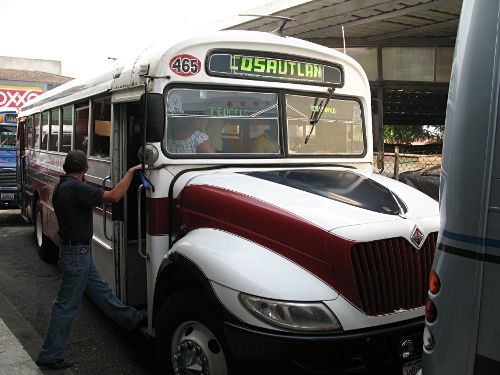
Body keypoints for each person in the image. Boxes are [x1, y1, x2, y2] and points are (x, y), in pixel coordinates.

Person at [35, 150, 146, 370]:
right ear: (86, 168)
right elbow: (114, 196)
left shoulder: (63, 185)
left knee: (102, 293)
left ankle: (132, 320)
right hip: (76, 256)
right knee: (65, 307)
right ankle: (49, 355)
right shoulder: (76, 188)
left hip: (77, 254)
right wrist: (131, 173)